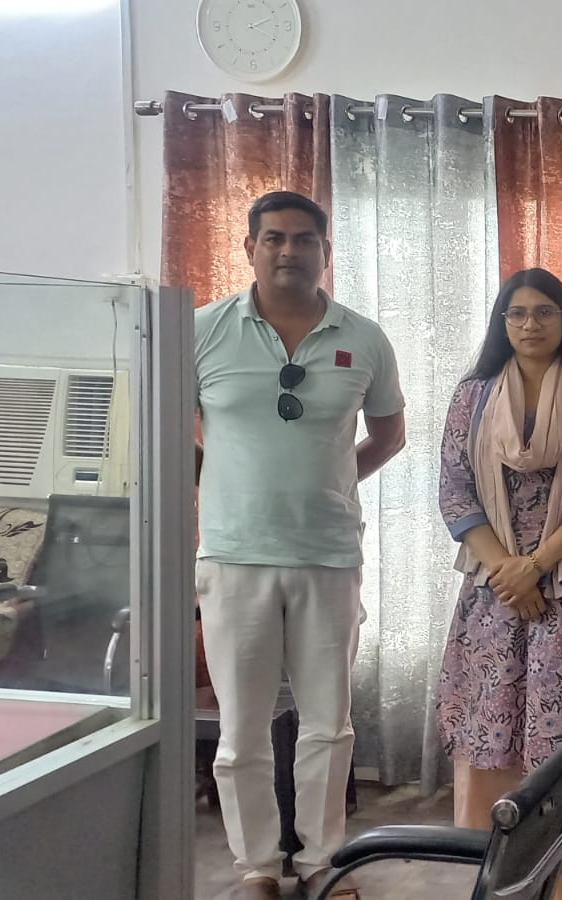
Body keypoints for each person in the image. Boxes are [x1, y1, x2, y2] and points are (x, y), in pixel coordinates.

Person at [194, 191, 407, 900]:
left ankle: (321, 861)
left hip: (328, 554)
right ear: (250, 247)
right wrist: (223, 479)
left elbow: (390, 434)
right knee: (241, 730)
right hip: (234, 555)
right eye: (275, 238)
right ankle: (256, 867)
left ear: (325, 251)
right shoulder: (202, 331)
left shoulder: (364, 337)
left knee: (328, 725)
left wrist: (332, 481)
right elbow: (168, 423)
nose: (289, 251)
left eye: (305, 239)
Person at [435, 268, 562, 900]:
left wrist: (535, 565)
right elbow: (454, 489)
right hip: (493, 593)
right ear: (502, 324)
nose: (530, 324)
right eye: (516, 313)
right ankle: (498, 866)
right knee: (492, 724)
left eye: (544, 312)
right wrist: (507, 571)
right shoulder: (472, 397)